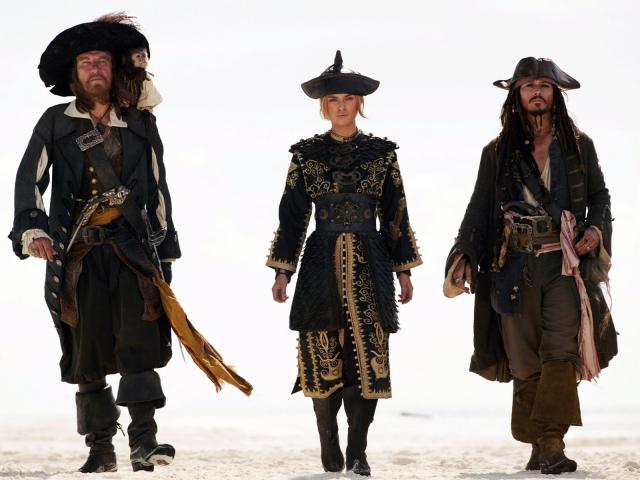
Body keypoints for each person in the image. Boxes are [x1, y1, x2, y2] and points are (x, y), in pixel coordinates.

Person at [10, 14, 251, 474]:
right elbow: (29, 180)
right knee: (87, 351)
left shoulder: (140, 122)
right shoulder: (55, 123)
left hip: (133, 252)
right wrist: (33, 230)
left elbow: (158, 187)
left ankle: (144, 441)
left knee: (139, 341)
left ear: (114, 68)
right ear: (74, 73)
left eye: (102, 61)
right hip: (79, 255)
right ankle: (100, 448)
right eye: (86, 62)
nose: (94, 69)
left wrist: (166, 250)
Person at [443, 57, 617, 474]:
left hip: (564, 263)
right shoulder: (496, 152)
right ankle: (539, 444)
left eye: (544, 85)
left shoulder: (579, 146)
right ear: (517, 94)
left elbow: (600, 197)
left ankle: (553, 444)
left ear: (555, 93)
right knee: (523, 359)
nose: (537, 92)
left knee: (561, 352)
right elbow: (479, 208)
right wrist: (463, 254)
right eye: (528, 86)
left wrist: (595, 230)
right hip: (513, 265)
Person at [267, 51, 422, 476]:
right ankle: (328, 441)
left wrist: (404, 272)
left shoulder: (382, 154)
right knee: (321, 355)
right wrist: (282, 271)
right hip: (319, 262)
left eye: (348, 99)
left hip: (372, 261)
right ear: (323, 105)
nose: (341, 106)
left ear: (359, 103)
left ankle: (358, 452)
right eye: (333, 100)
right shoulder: (305, 155)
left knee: (368, 357)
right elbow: (292, 215)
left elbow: (396, 212)